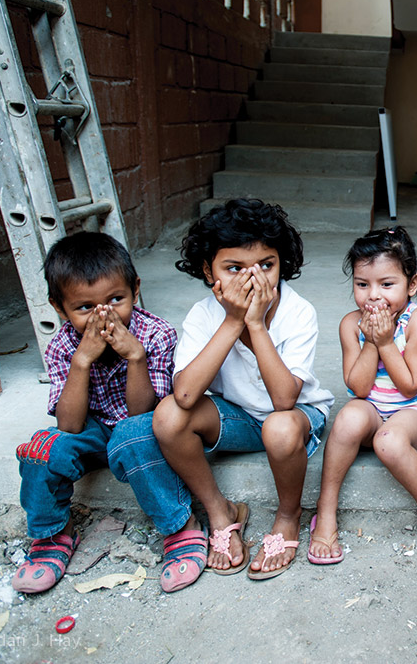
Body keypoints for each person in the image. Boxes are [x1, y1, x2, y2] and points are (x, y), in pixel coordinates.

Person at [108, 199, 333, 590]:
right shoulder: (203, 315)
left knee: (279, 427)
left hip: (296, 416)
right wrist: (232, 321)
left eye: (266, 265)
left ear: (283, 265)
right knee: (168, 416)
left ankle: (287, 515)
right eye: (234, 268)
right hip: (238, 418)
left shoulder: (299, 312)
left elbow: (284, 401)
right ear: (207, 271)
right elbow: (185, 394)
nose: (253, 279)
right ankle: (221, 512)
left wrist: (257, 324)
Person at [13, 231, 177, 594]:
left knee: (133, 434)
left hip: (140, 435)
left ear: (135, 289)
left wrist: (135, 356)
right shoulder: (62, 346)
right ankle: (52, 534)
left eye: (116, 299)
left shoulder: (156, 335)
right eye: (84, 307)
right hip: (91, 432)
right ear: (59, 307)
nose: (103, 315)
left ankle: (178, 525)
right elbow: (68, 426)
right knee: (43, 448)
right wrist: (82, 360)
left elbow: (141, 415)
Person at [308, 227, 417, 576]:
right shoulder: (351, 325)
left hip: (413, 411)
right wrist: (372, 341)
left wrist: (388, 340)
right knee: (346, 419)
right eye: (362, 285)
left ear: (412, 283)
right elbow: (359, 388)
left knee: (389, 442)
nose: (373, 296)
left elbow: (409, 386)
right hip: (373, 407)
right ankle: (326, 509)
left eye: (386, 284)